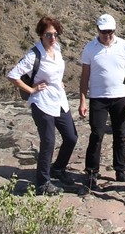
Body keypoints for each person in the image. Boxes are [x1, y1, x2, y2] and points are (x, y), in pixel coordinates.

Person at [8, 16, 78, 196]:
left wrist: (58, 81)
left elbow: (56, 70)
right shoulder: (34, 55)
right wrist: (31, 90)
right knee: (48, 142)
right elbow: (13, 75)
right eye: (48, 34)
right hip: (42, 102)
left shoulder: (57, 48)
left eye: (55, 34)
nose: (53, 38)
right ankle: (42, 183)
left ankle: (58, 168)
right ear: (41, 34)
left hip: (59, 99)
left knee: (71, 137)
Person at [78, 13, 125, 192]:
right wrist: (82, 100)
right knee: (97, 134)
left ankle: (120, 169)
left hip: (120, 96)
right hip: (98, 98)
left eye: (110, 31)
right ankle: (92, 171)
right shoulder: (90, 48)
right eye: (103, 32)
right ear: (97, 30)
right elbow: (84, 76)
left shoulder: (123, 45)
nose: (107, 35)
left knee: (120, 133)